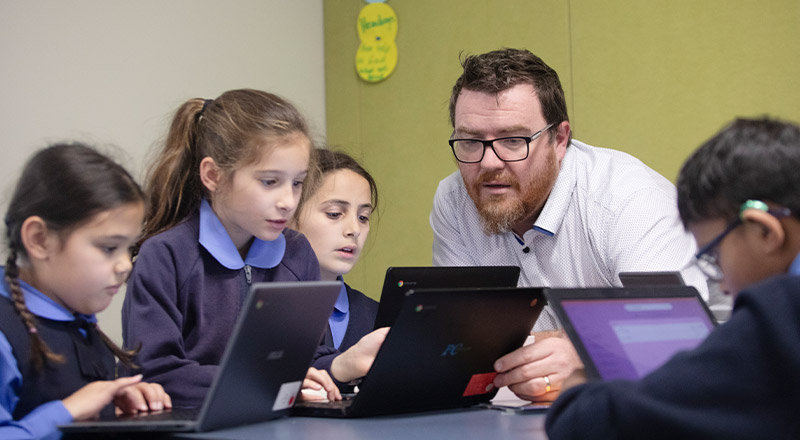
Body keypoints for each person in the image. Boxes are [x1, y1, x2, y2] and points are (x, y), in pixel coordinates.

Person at [430, 48, 710, 401]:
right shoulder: (454, 201)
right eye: (470, 141)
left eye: (513, 140)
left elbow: (671, 335)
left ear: (559, 140)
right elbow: (468, 342)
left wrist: (586, 354)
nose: (488, 162)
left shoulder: (629, 200)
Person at [545, 117, 800, 439]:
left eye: (715, 258)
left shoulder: (783, 313)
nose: (721, 284)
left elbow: (586, 423)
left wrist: (577, 386)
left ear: (765, 231)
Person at [122, 89, 340, 407]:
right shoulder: (165, 256)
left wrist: (341, 365)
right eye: (269, 182)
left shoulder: (297, 251)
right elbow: (156, 373)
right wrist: (264, 380)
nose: (288, 202)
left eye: (297, 182)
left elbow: (311, 358)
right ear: (213, 175)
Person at [0, 144, 172, 440]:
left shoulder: (79, 320)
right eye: (108, 248)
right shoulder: (7, 331)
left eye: (128, 249)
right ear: (39, 239)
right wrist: (65, 413)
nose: (124, 266)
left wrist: (115, 402)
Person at [290, 149, 388, 389]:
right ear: (288, 214)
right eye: (334, 214)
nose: (354, 229)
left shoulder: (376, 317)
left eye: (363, 217)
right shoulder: (260, 307)